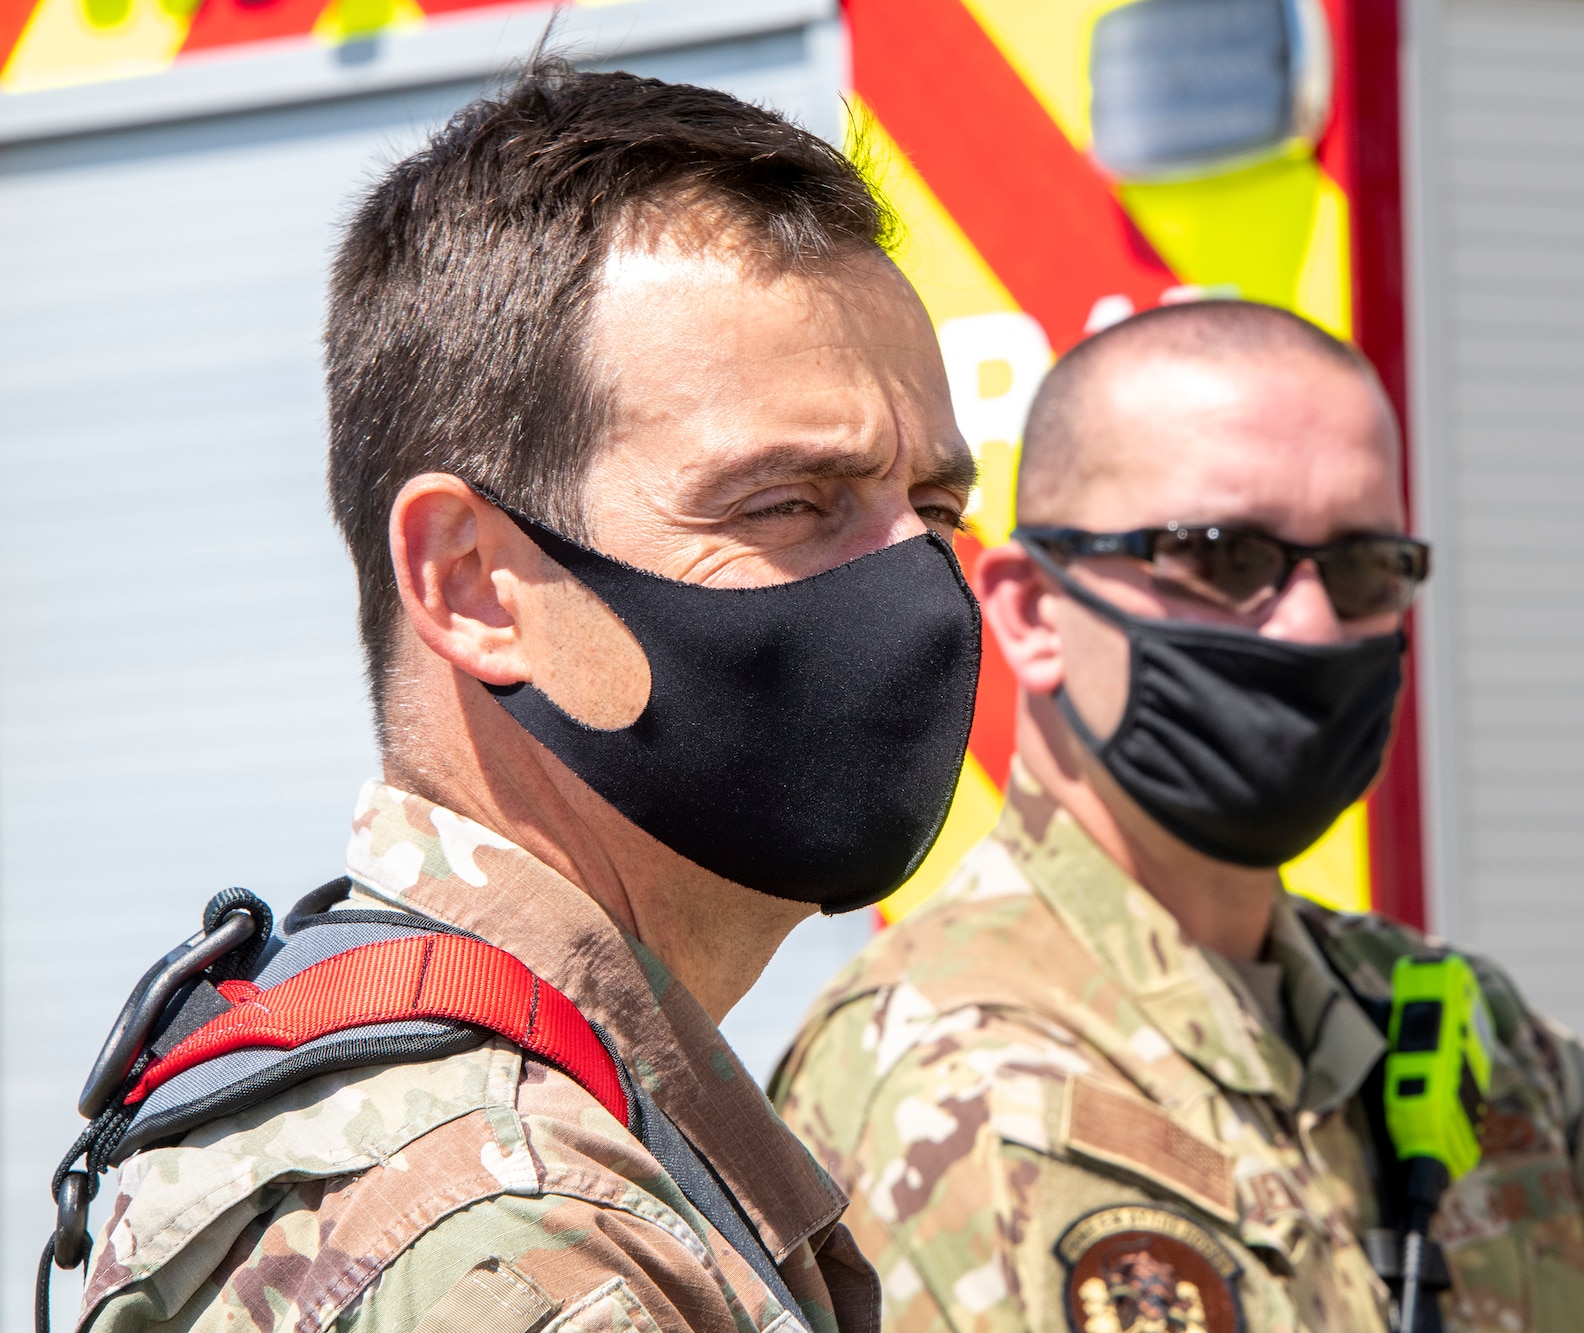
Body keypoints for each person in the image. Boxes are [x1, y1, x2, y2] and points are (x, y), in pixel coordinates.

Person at [71, 64, 984, 1332]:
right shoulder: (510, 1237)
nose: (919, 590)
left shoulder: (572, 1123)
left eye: (935, 510)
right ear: (473, 585)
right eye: (786, 503)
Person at [772, 302, 1584, 1333]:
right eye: (1220, 556)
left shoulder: (1447, 1029)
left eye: (1363, 569)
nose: (1307, 626)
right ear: (1032, 613)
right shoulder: (959, 1078)